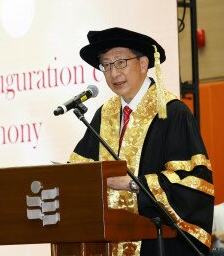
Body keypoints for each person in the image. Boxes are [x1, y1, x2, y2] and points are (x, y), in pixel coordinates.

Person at [68, 27, 214, 256]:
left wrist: (134, 184)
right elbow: (79, 171)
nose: (113, 73)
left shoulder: (172, 113)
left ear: (144, 63)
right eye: (106, 65)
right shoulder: (103, 115)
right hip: (109, 245)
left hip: (159, 246)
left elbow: (192, 184)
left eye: (120, 62)